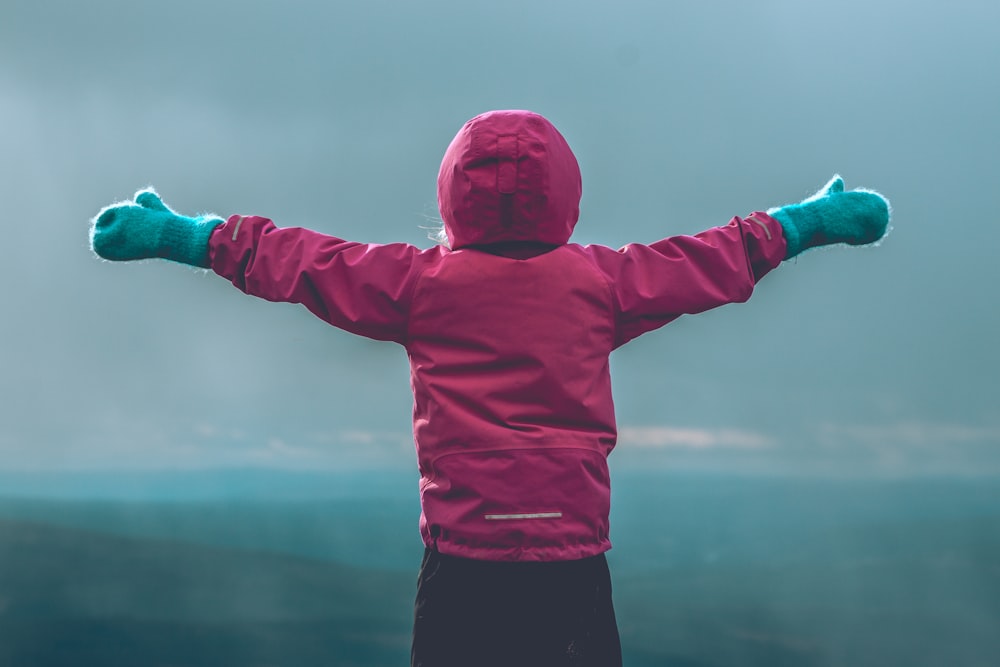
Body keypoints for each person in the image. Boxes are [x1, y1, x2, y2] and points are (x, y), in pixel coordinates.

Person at [90, 109, 890, 667]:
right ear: (565, 194)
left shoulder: (417, 284)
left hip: (464, 565)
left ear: (451, 196)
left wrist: (185, 236)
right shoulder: (602, 282)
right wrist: (809, 220)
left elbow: (299, 261)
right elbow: (716, 257)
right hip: (571, 562)